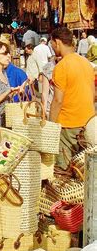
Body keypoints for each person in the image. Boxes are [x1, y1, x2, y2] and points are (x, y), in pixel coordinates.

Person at [49, 27, 95, 169]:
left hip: (68, 124)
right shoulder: (86, 62)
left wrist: (51, 124)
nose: (52, 48)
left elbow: (58, 100)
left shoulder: (62, 66)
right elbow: (93, 94)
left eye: (52, 44)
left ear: (57, 42)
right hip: (87, 121)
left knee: (65, 170)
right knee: (82, 168)